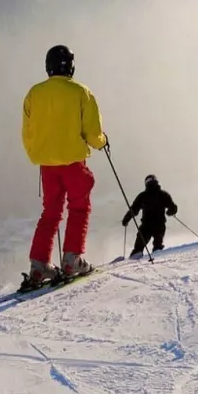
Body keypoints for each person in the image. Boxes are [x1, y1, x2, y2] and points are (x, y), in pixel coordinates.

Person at [22, 44, 107, 286]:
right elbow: (93, 133)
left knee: (50, 213)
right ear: (71, 67)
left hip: (47, 166)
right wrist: (102, 142)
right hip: (73, 163)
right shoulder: (81, 92)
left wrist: (38, 153)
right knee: (79, 208)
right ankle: (72, 260)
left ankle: (39, 266)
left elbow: (28, 133)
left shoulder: (34, 94)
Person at [123, 174, 177, 259]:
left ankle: (134, 259)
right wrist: (170, 212)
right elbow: (173, 207)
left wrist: (126, 219)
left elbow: (134, 209)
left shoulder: (142, 196)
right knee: (158, 245)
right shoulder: (163, 194)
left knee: (139, 247)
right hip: (159, 224)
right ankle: (158, 259)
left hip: (146, 226)